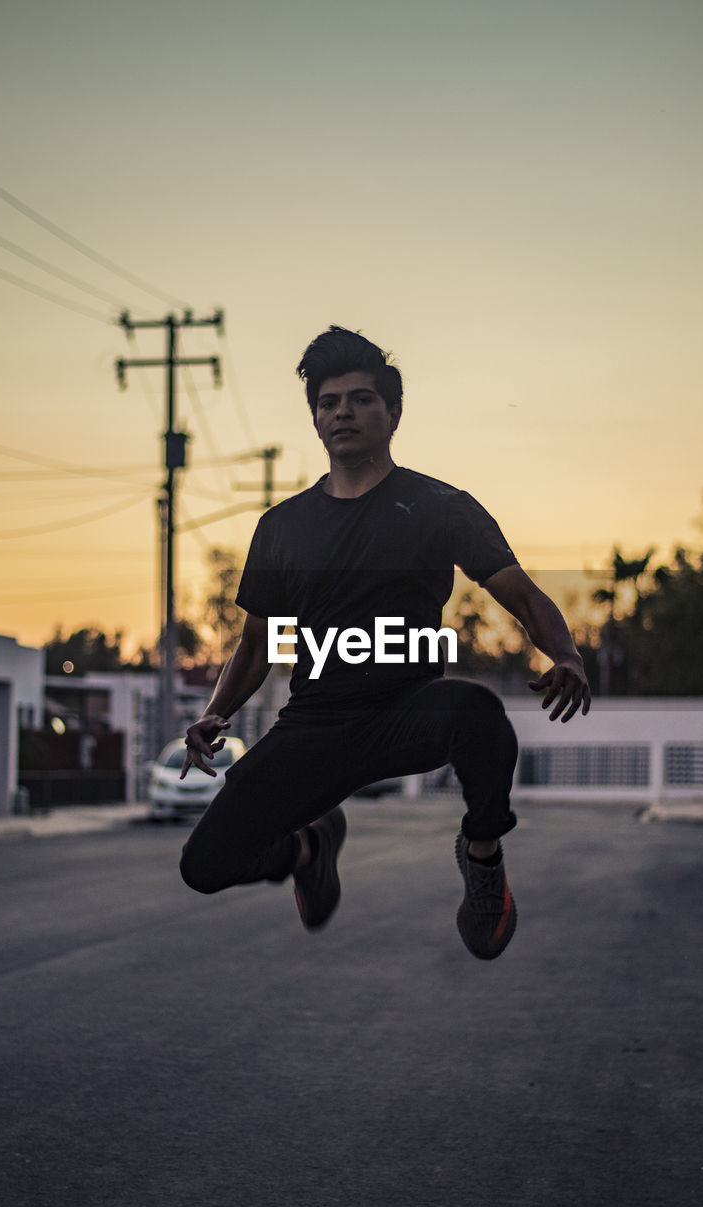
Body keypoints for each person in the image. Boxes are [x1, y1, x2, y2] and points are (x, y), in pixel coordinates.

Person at [179, 326, 590, 959]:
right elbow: (256, 644)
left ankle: (483, 857)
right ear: (315, 419)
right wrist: (217, 711)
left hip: (405, 711)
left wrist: (563, 653)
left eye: (361, 398)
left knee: (480, 716)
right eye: (328, 401)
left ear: (393, 413)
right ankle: (308, 847)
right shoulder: (282, 528)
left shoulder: (438, 507)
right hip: (315, 725)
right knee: (203, 864)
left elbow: (524, 595)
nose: (343, 411)